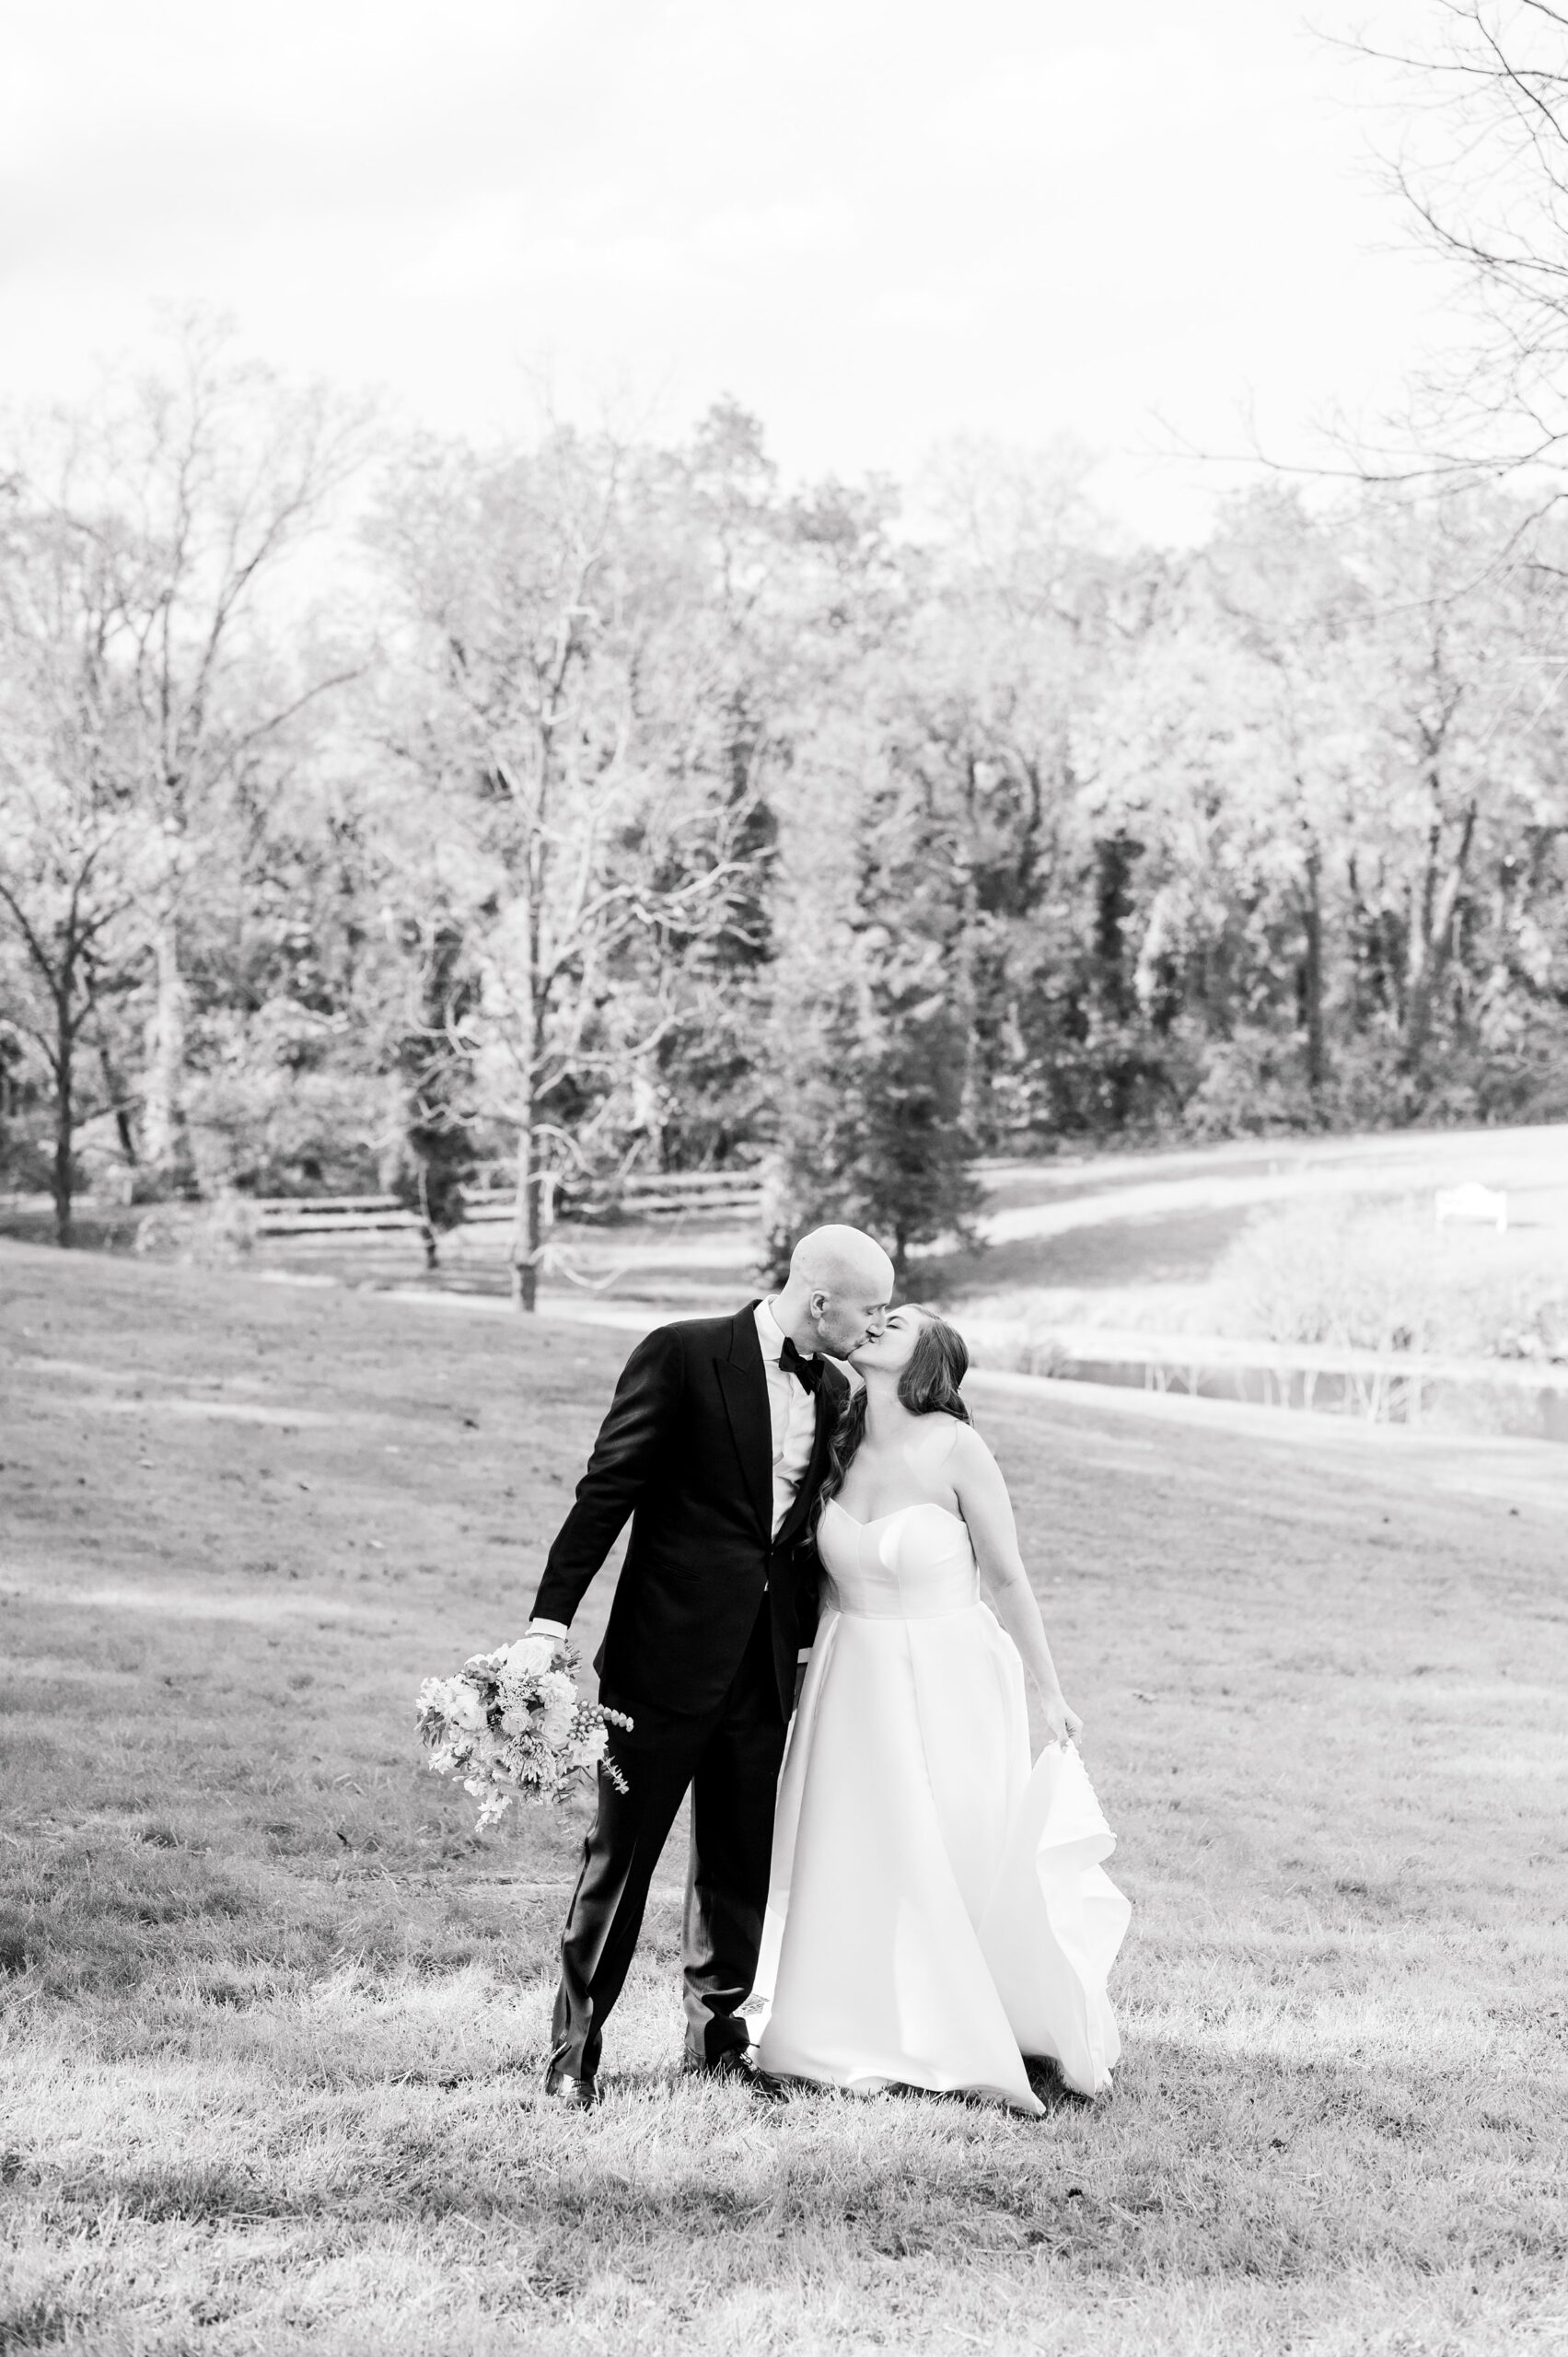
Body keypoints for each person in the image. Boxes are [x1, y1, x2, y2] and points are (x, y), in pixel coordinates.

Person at [526, 1225, 895, 2107]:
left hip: (767, 1665)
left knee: (737, 1862)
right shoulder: (682, 1354)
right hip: (662, 1661)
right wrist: (548, 1621)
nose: (875, 1324)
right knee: (621, 1858)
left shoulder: (839, 1389)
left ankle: (718, 2045)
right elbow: (605, 1491)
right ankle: (574, 2055)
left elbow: (803, 1537)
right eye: (868, 1307)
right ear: (819, 1301)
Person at [754, 1305, 1130, 2111]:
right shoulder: (839, 1438)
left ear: (930, 1358)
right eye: (877, 1315)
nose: (878, 1322)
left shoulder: (957, 1446)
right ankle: (844, 2018)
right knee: (855, 1844)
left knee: (944, 1840)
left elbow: (1009, 1578)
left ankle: (954, 2022)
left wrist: (1050, 1690)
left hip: (947, 1673)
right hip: (850, 1673)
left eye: (899, 1322)